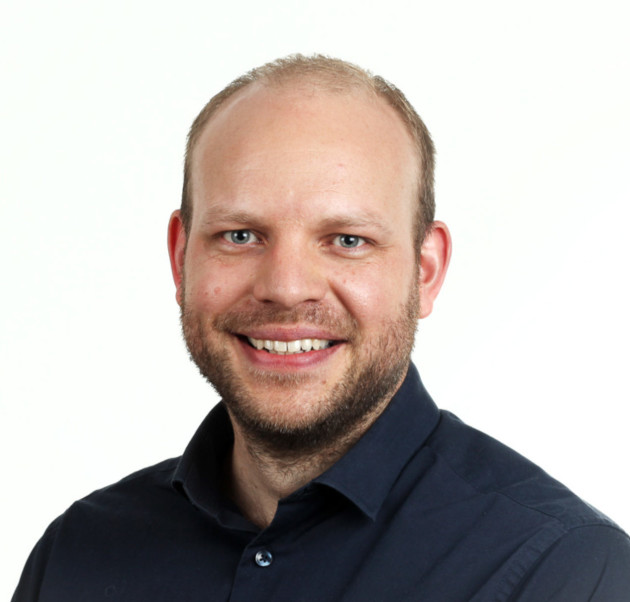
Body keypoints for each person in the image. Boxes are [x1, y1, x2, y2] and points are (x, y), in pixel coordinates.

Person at [13, 55, 630, 601]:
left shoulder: (565, 573)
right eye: (240, 235)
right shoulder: (78, 553)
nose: (285, 286)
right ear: (181, 258)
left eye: (346, 240)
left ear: (426, 270)